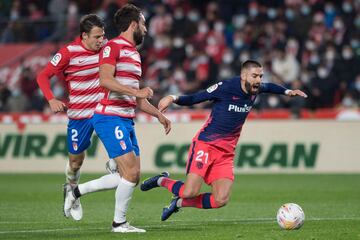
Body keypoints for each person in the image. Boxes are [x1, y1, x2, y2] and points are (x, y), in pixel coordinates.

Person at [141, 60, 307, 221]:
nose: (259, 81)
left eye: (261, 76)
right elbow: (196, 98)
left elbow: (269, 87)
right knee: (189, 191)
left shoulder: (255, 89)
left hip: (226, 153)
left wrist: (287, 92)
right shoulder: (226, 87)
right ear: (243, 76)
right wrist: (172, 97)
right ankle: (161, 180)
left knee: (221, 199)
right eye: (255, 76)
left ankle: (177, 203)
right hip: (205, 145)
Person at [63, 4, 171, 233]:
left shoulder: (134, 54)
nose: (146, 29)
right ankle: (119, 223)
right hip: (109, 116)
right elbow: (105, 80)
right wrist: (137, 92)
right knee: (130, 174)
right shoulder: (113, 47)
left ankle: (76, 191)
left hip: (125, 118)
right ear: (133, 24)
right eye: (143, 23)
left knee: (130, 175)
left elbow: (138, 99)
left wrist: (159, 114)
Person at [37, 14, 115, 221]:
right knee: (75, 163)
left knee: (120, 153)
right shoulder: (68, 53)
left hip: (102, 112)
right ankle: (71, 190)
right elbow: (42, 76)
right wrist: (51, 99)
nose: (101, 40)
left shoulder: (107, 49)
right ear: (84, 36)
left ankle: (114, 162)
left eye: (103, 35)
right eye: (97, 36)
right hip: (79, 115)